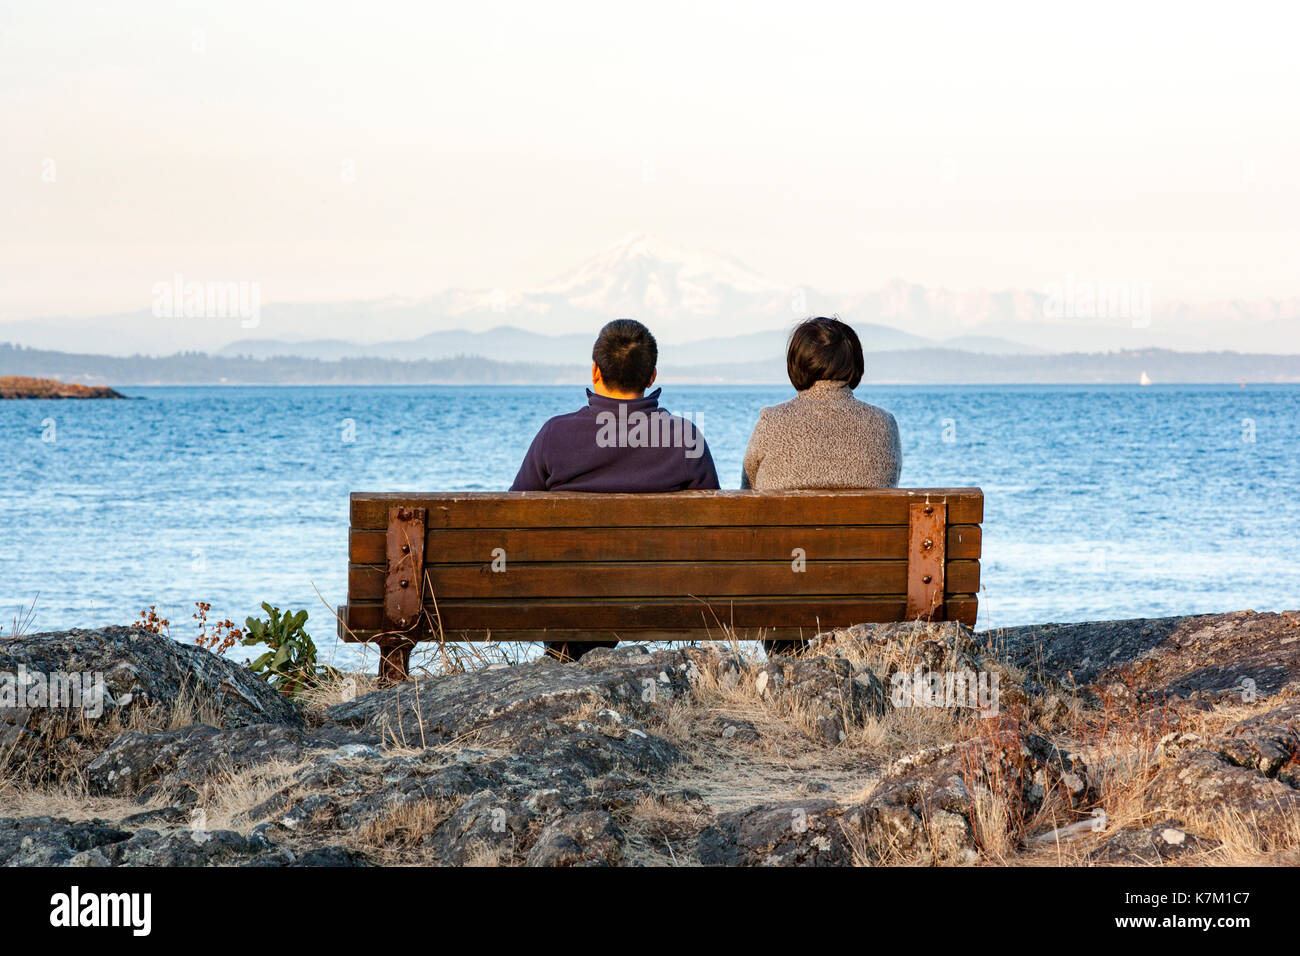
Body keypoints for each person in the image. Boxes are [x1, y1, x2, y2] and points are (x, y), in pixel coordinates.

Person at [510, 318, 720, 659]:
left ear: (595, 371)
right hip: (658, 600)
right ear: (652, 376)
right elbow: (714, 530)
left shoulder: (555, 435)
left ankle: (566, 657)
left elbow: (511, 519)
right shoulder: (684, 437)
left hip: (571, 600)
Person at [741, 316, 902, 656]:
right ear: (853, 364)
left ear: (797, 364)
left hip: (784, 592)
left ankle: (785, 664)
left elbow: (748, 498)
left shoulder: (770, 421)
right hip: (865, 589)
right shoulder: (883, 424)